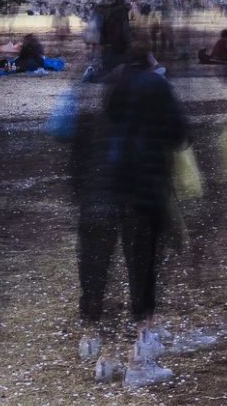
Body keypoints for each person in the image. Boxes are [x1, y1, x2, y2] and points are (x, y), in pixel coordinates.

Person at [72, 50, 190, 387]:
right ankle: (140, 356)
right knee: (142, 270)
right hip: (141, 192)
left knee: (98, 273)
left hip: (95, 195)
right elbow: (179, 135)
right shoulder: (154, 85)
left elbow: (72, 142)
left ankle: (98, 350)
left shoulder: (90, 84)